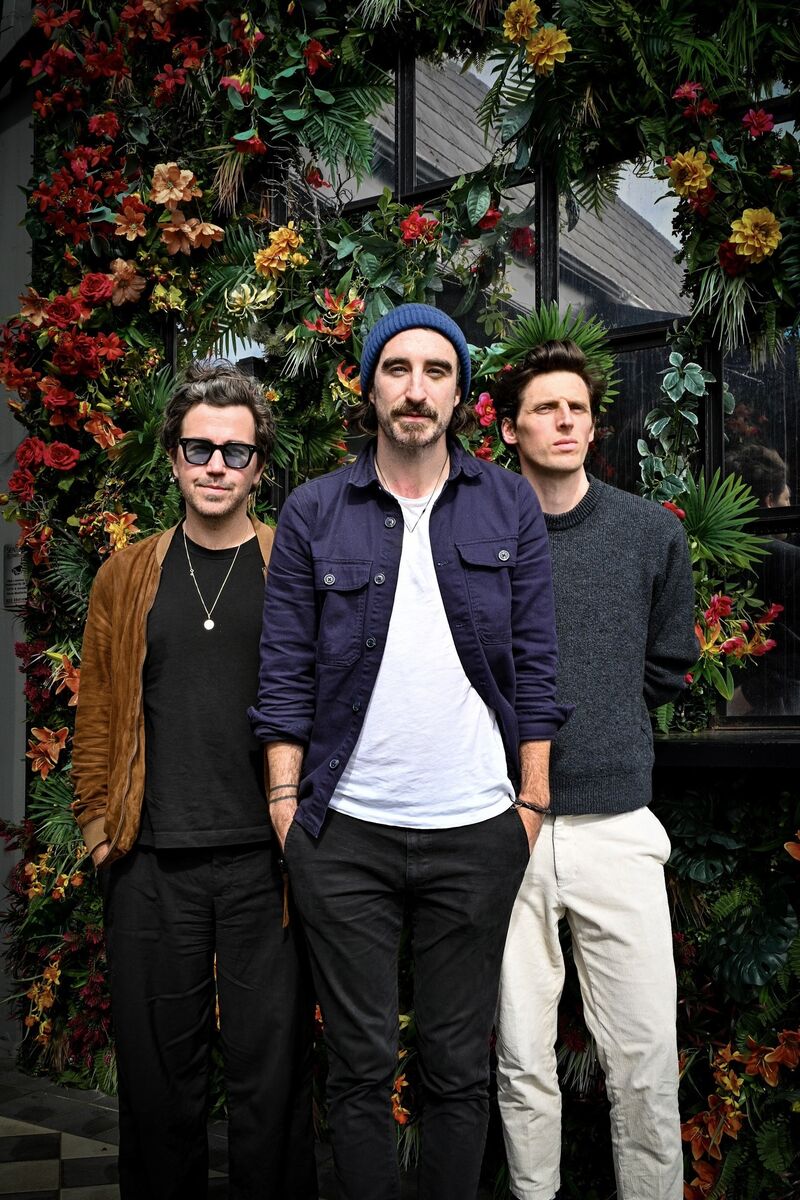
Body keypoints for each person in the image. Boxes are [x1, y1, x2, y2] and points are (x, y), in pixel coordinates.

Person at [248, 303, 570, 1200]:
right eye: (398, 368)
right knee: (355, 1069)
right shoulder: (316, 508)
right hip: (343, 833)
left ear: (461, 392)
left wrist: (531, 804)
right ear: (370, 385)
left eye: (436, 370)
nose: (416, 388)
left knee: (459, 1068)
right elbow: (284, 670)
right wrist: (286, 806)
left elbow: (537, 662)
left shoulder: (507, 500)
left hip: (477, 830)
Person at [72, 361, 317, 1200]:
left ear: (259, 466)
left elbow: (331, 706)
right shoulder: (127, 573)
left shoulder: (292, 565)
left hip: (266, 866)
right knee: (157, 1083)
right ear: (173, 458)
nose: (216, 465)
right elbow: (98, 710)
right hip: (149, 862)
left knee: (272, 1081)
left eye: (235, 452)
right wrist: (100, 832)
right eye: (199, 448)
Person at [492, 340, 698, 1200]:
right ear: (511, 428)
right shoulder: (481, 540)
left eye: (576, 407)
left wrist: (606, 721)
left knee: (645, 1062)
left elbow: (666, 666)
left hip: (616, 825)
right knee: (520, 1060)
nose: (566, 420)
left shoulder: (650, 534)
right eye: (546, 407)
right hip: (506, 826)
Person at [726, 442, 799, 715]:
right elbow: (793, 657)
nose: (789, 504)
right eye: (786, 499)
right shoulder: (789, 560)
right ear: (770, 501)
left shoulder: (721, 557)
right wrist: (747, 696)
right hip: (775, 709)